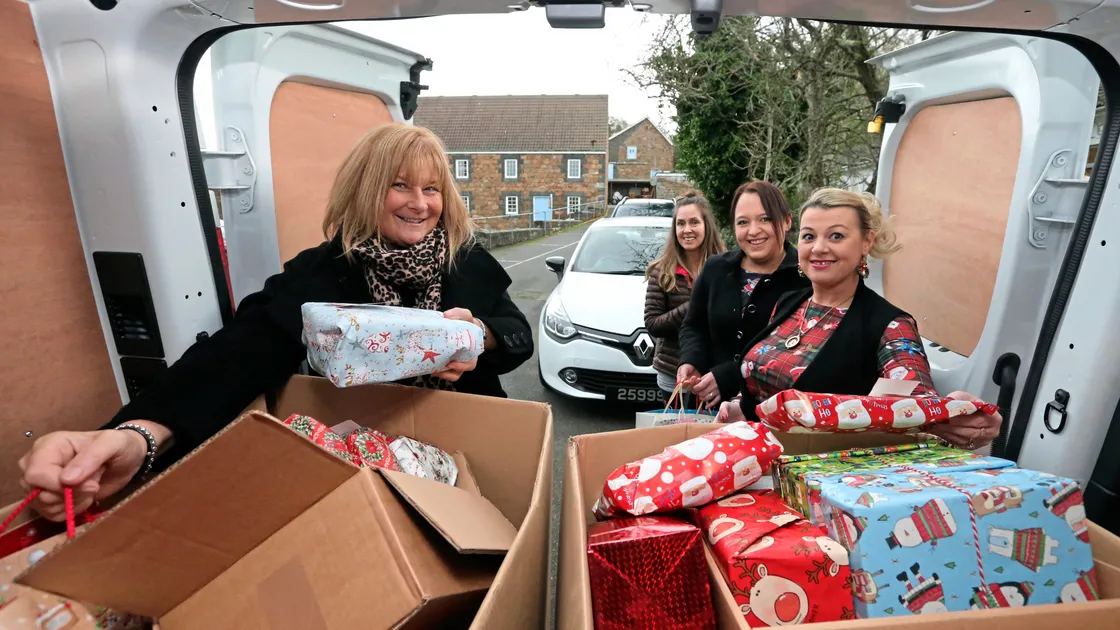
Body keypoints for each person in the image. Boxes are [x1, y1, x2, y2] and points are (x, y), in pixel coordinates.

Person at [18, 122, 535, 521]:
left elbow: (517, 336)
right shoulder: (320, 273)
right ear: (365, 190)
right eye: (400, 186)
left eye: (432, 189)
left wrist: (477, 338)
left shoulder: (466, 261)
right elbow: (239, 353)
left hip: (473, 445)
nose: (420, 204)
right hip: (373, 457)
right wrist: (139, 436)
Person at [717, 188, 1001, 450]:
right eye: (808, 236)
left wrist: (953, 413)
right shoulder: (789, 301)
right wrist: (741, 406)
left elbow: (917, 405)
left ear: (867, 242)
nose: (818, 248)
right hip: (754, 460)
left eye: (836, 236)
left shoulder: (890, 325)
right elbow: (768, 382)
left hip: (815, 481)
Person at [676, 181, 809, 408]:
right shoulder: (716, 268)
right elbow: (693, 326)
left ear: (787, 221)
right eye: (743, 222)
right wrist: (692, 359)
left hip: (771, 411)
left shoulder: (805, 277)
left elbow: (799, 353)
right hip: (708, 407)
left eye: (765, 219)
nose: (753, 230)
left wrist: (729, 376)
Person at [644, 191, 727, 405]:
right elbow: (653, 324)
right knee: (677, 434)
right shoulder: (661, 271)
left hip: (713, 374)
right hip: (673, 373)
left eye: (694, 222)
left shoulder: (726, 268)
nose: (687, 230)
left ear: (706, 226)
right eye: (680, 224)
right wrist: (695, 305)